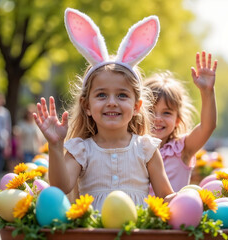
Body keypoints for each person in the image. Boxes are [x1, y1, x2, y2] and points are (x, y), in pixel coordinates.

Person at [33, 8, 174, 210]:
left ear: (136, 107)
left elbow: (166, 196)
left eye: (122, 95)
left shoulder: (145, 148)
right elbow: (60, 187)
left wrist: (192, 199)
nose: (112, 102)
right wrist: (55, 146)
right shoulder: (81, 149)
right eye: (101, 95)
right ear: (86, 106)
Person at [145, 51, 218, 193]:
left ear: (177, 120)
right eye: (150, 111)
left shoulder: (182, 149)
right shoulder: (133, 147)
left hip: (176, 215)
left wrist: (207, 91)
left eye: (166, 113)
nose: (158, 118)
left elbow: (208, 126)